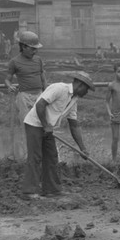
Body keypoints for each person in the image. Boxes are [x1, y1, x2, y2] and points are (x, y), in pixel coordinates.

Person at [21, 71, 95, 200]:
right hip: (35, 124)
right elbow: (40, 105)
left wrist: (82, 148)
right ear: (80, 84)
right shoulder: (59, 88)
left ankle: (51, 190)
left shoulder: (74, 100)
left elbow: (74, 125)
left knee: (51, 157)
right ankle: (29, 192)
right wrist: (45, 125)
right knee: (35, 157)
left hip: (48, 127)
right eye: (87, 89)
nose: (87, 92)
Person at [5, 31, 47, 125]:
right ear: (23, 47)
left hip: (39, 95)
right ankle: (25, 139)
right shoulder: (14, 62)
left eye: (36, 49)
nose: (35, 51)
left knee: (41, 123)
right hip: (24, 97)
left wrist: (46, 94)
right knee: (27, 124)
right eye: (32, 49)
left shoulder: (38, 60)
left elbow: (43, 79)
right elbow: (7, 79)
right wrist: (9, 86)